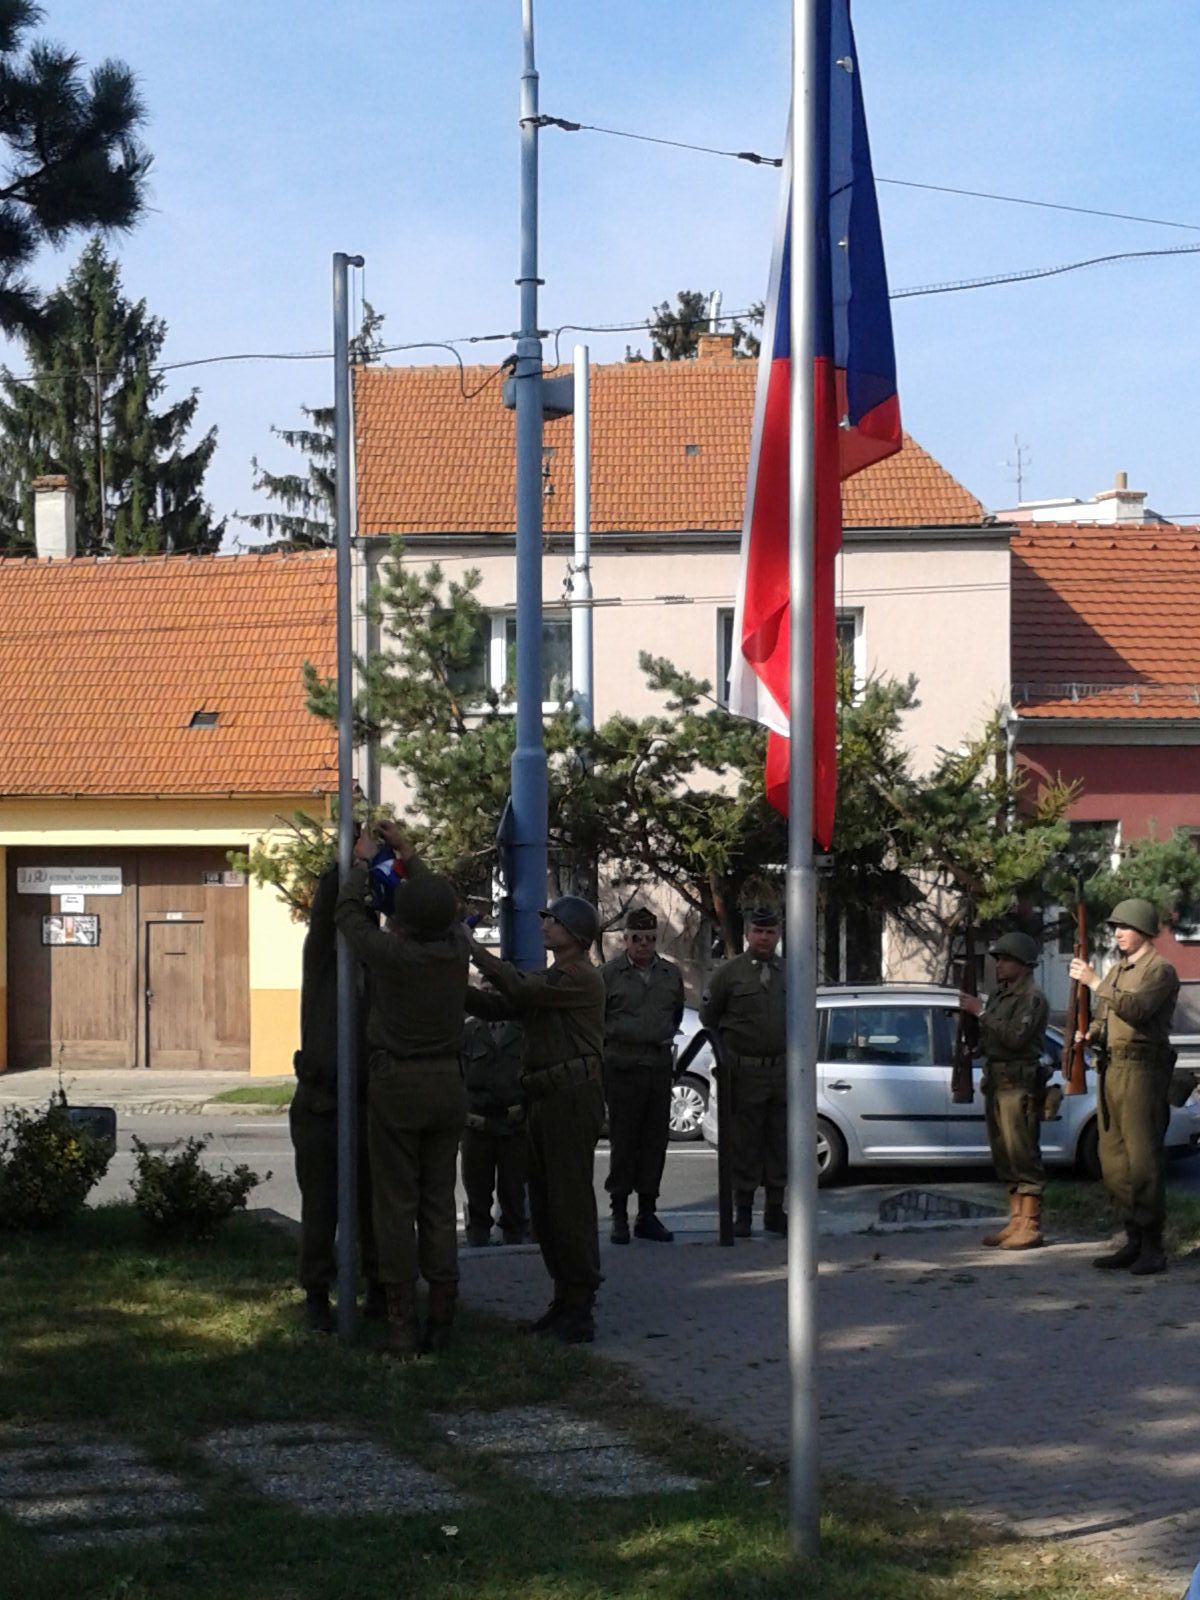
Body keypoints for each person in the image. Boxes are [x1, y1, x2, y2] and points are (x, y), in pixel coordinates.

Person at [335, 819, 470, 1356]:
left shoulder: (395, 956)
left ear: (404, 922)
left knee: (395, 1204)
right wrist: (408, 855)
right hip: (449, 1084)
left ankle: (400, 1325)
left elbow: (348, 916)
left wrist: (365, 862)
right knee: (439, 1202)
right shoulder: (457, 951)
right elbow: (439, 905)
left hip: (399, 1085)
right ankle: (443, 1316)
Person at [467, 895, 606, 1344]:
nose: (545, 923)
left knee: (568, 1202)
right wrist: (451, 982)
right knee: (544, 1206)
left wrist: (471, 949)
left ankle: (580, 1304)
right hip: (545, 1097)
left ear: (576, 935)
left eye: (554, 919)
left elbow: (521, 992)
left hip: (570, 1097)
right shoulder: (553, 978)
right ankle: (563, 1298)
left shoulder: (580, 977)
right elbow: (499, 1006)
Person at [288, 858, 381, 1332]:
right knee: (321, 1206)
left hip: (369, 1103)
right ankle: (317, 1295)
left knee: (374, 1208)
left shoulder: (382, 965)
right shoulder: (324, 960)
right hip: (323, 1100)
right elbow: (326, 911)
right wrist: (351, 863)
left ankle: (379, 1291)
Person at [1070, 897, 1180, 1276]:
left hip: (1143, 1072)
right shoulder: (1117, 970)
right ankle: (1132, 1237)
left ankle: (1153, 1245)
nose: (1117, 933)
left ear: (1144, 931)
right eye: (1115, 927)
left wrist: (1095, 982)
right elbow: (1106, 1016)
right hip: (1111, 1068)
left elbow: (1136, 1011)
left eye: (1124, 927)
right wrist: (1090, 1035)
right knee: (1113, 1161)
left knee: (1143, 1160)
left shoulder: (1160, 971)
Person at [699, 907, 787, 1239]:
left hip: (780, 1072)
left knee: (780, 1143)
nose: (765, 938)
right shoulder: (730, 974)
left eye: (771, 932)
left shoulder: (789, 972)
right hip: (744, 1072)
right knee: (745, 1145)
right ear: (748, 934)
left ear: (778, 935)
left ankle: (776, 1211)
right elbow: (709, 1016)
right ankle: (744, 1213)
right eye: (759, 932)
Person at [959, 931, 1049, 1250]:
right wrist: (974, 1045)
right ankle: (1015, 1221)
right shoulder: (1001, 995)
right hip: (997, 1080)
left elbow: (1015, 1037)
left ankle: (1031, 1223)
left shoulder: (1032, 999)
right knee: (1004, 1154)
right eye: (998, 960)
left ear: (1023, 964)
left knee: (1023, 1153)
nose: (998, 965)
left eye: (1005, 960)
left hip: (1018, 1083)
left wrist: (980, 1013)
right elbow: (995, 1039)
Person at [600, 907, 685, 1245]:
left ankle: (647, 1213)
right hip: (622, 1066)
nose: (644, 945)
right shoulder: (609, 975)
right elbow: (597, 1019)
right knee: (624, 1142)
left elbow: (675, 1014)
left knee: (654, 1143)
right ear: (625, 940)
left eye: (650, 939)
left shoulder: (669, 974)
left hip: (658, 1066)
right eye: (637, 939)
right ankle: (618, 1213)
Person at [460, 1013, 529, 1247]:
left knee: (513, 1188)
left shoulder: (523, 1030)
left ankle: (514, 1238)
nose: (492, 995)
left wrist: (525, 1108)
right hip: (477, 1121)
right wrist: (465, 1114)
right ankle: (478, 1236)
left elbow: (533, 1071)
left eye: (497, 990)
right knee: (477, 1187)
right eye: (487, 990)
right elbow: (457, 1073)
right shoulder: (469, 1031)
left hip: (513, 1123)